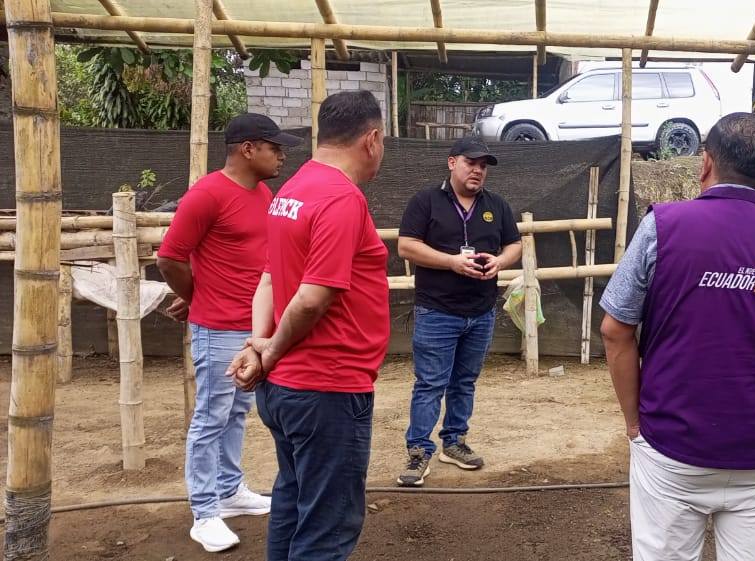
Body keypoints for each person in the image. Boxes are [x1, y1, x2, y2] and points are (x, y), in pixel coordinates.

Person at [599, 112, 755, 561]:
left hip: (672, 444)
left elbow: (615, 331)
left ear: (705, 163)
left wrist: (635, 421)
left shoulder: (662, 226)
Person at [227, 90, 389, 561]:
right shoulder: (341, 198)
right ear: (371, 139)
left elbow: (269, 277)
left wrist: (259, 346)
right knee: (326, 526)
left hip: (286, 389)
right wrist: (270, 349)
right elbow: (313, 297)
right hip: (326, 387)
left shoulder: (291, 191)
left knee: (294, 500)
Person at [157, 112, 300, 553]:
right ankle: (204, 512)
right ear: (248, 149)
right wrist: (197, 296)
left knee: (237, 411)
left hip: (252, 327)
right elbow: (169, 257)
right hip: (218, 327)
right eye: (275, 147)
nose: (282, 155)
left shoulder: (263, 193)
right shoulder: (206, 195)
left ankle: (230, 489)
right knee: (211, 417)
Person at [395, 136, 522, 487]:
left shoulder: (496, 205)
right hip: (437, 311)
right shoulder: (426, 201)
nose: (477, 170)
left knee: (464, 382)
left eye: (483, 166)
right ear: (452, 163)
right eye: (471, 163)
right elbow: (406, 246)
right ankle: (419, 450)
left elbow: (514, 244)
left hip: (481, 311)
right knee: (430, 383)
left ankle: (454, 442)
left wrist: (500, 261)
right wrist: (451, 262)